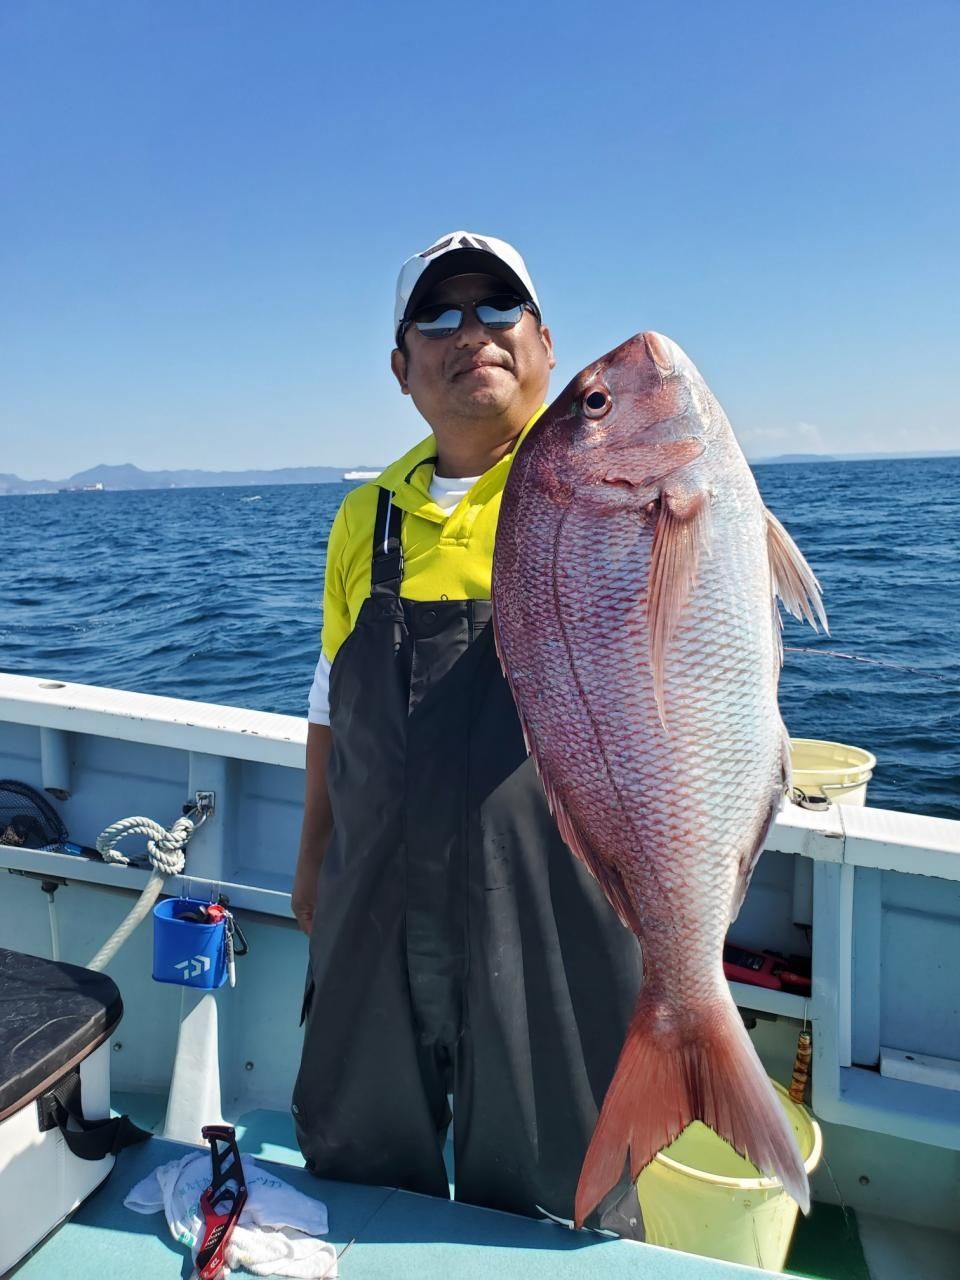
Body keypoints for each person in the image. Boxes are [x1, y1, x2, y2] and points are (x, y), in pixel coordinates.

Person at [291, 231, 644, 1236]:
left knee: (553, 1191)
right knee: (357, 1169)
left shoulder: (599, 493)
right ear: (401, 369)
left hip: (551, 900)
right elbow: (329, 695)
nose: (472, 330)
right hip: (376, 894)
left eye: (500, 307)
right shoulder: (367, 518)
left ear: (544, 344)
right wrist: (313, 852)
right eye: (438, 314)